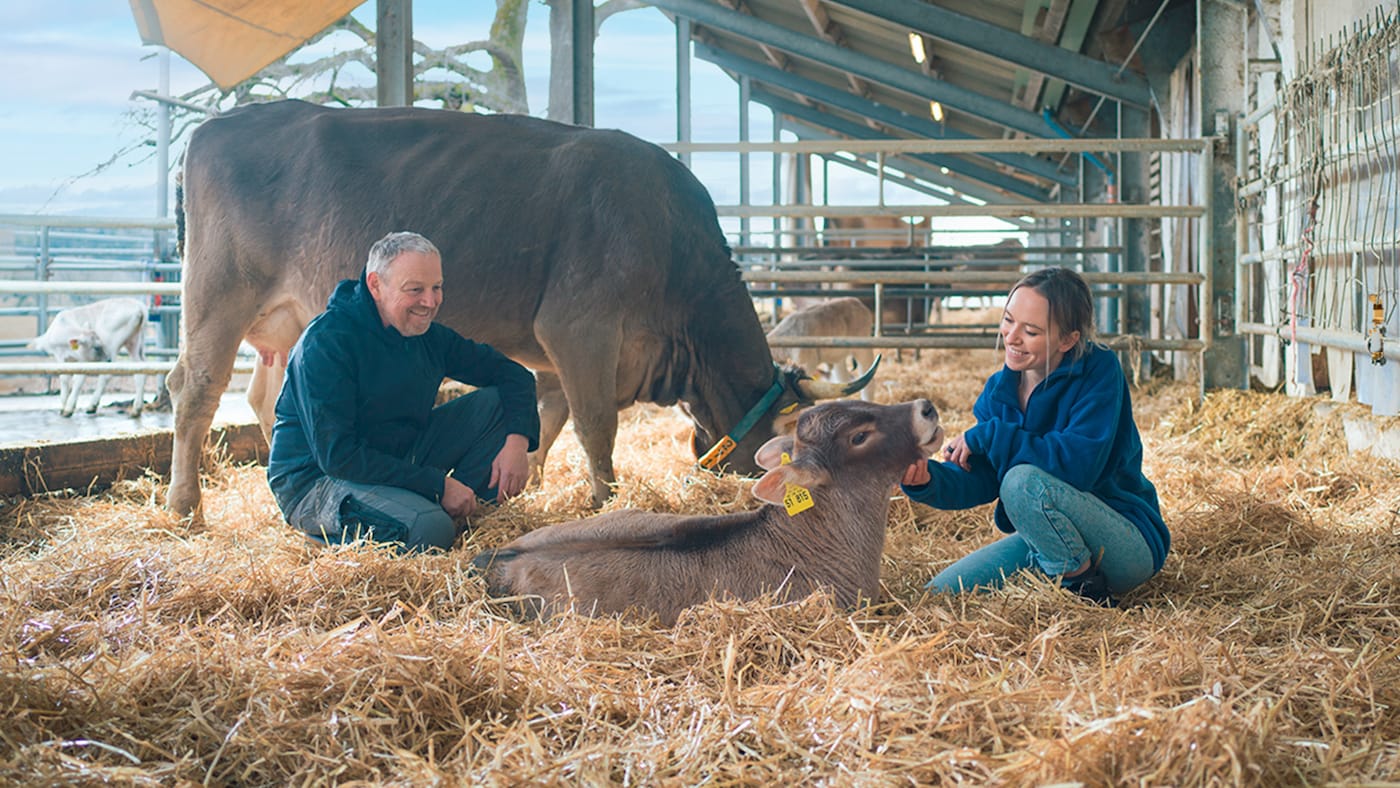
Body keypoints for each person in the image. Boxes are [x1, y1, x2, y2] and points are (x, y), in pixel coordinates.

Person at [900, 267, 1167, 605]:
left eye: (1031, 331)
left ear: (1068, 340)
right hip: (1049, 535)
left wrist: (992, 435)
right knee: (942, 594)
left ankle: (1085, 593)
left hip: (1123, 541)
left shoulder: (1098, 370)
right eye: (1009, 320)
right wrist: (927, 480)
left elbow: (1078, 467)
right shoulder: (1000, 390)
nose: (1012, 337)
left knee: (1021, 482)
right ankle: (1069, 572)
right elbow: (983, 477)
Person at [267, 231, 540, 553]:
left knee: (496, 405)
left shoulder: (428, 337)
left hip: (390, 457)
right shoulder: (327, 343)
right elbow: (338, 456)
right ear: (375, 286)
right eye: (415, 290)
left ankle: (462, 513)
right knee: (430, 529)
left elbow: (514, 375)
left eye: (437, 287)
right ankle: (333, 534)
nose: (430, 301)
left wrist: (517, 442)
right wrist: (439, 485)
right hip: (317, 481)